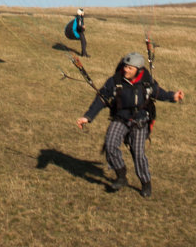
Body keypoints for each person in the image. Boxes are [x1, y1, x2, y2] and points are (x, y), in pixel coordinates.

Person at [76, 52, 183, 198]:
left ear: (138, 70)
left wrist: (173, 96)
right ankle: (121, 175)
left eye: (130, 68)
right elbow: (101, 98)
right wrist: (88, 117)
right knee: (110, 144)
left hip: (140, 121)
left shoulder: (146, 82)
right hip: (120, 118)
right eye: (125, 67)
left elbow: (158, 92)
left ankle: (145, 182)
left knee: (138, 154)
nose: (126, 70)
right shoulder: (115, 81)